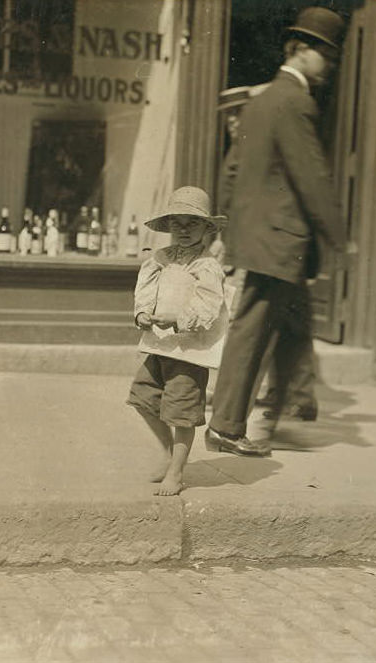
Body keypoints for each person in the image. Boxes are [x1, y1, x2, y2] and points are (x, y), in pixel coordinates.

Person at [207, 6, 347, 456]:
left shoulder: (261, 99)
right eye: (326, 54)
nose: (330, 64)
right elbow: (312, 176)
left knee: (286, 326)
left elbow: (231, 169)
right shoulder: (295, 101)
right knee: (254, 330)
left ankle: (285, 404)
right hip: (279, 238)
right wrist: (339, 237)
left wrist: (228, 226)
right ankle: (226, 426)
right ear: (301, 50)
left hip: (262, 236)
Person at [127, 186, 228, 496]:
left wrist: (179, 320)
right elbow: (146, 288)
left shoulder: (207, 265)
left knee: (181, 410)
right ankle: (168, 452)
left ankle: (177, 472)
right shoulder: (160, 258)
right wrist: (143, 313)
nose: (184, 231)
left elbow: (208, 305)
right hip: (160, 344)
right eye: (177, 223)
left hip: (189, 350)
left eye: (193, 223)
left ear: (207, 228)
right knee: (144, 397)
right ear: (168, 226)